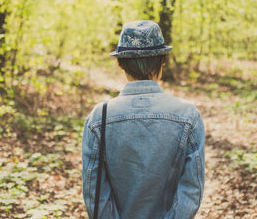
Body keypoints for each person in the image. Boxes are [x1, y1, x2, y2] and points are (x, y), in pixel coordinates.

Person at [82, 20, 205, 219]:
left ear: (120, 63)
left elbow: (94, 193)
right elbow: (191, 191)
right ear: (163, 60)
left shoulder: (99, 117)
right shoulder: (188, 116)